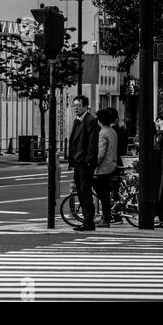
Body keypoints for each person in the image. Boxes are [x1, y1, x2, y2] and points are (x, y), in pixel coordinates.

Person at [68, 95, 99, 231]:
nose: (76, 108)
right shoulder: (77, 121)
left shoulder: (90, 121)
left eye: (79, 105)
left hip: (84, 164)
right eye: (74, 105)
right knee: (80, 191)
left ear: (86, 107)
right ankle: (87, 220)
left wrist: (88, 161)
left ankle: (89, 222)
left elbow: (92, 144)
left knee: (85, 192)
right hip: (77, 163)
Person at [84, 109, 117, 230]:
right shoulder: (112, 131)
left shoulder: (102, 133)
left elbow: (100, 153)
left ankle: (105, 219)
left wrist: (93, 165)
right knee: (105, 195)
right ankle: (105, 217)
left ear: (100, 120)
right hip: (111, 166)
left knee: (102, 195)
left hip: (103, 168)